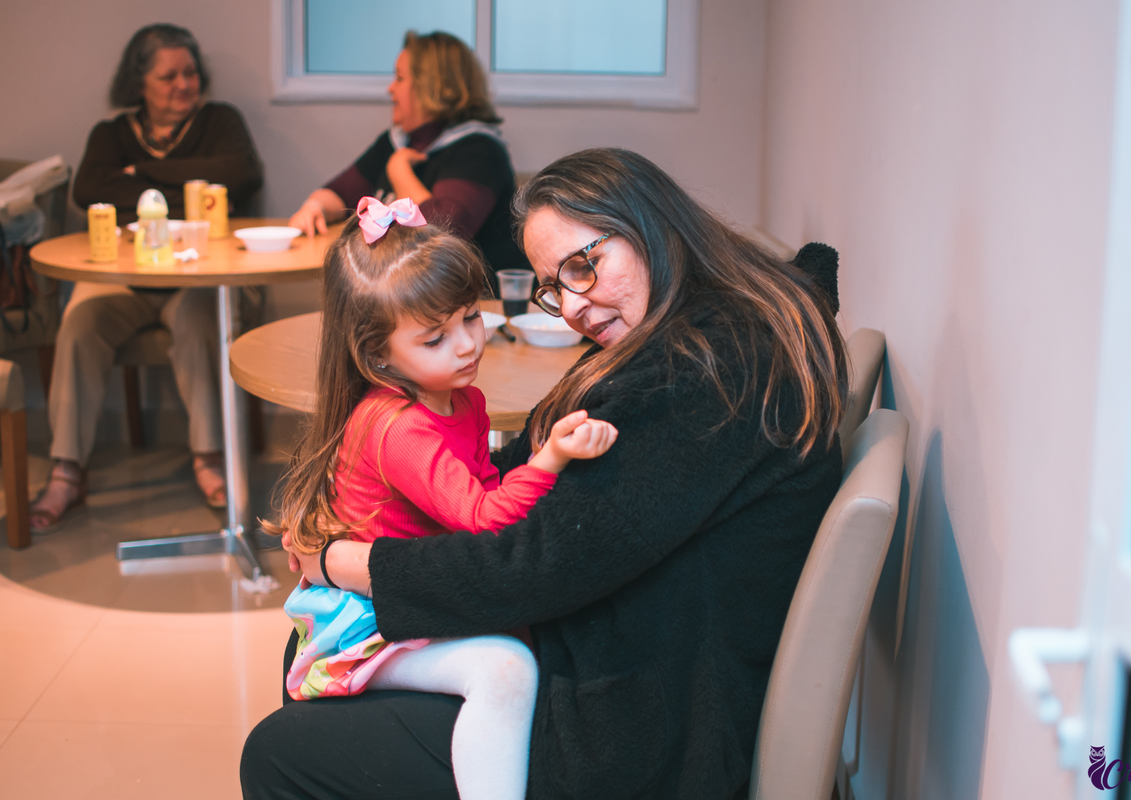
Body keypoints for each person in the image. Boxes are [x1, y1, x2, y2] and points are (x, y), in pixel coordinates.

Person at [242, 148, 849, 800]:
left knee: (280, 751)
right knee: (315, 667)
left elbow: (533, 568)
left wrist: (348, 564)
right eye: (556, 287)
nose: (575, 307)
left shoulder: (702, 374)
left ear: (650, 225)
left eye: (584, 266)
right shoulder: (701, 332)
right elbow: (537, 479)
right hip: (637, 651)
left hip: (640, 723)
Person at [269, 196, 617, 800]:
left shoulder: (463, 400)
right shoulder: (399, 427)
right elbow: (483, 518)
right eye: (435, 339)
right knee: (507, 670)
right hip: (369, 623)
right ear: (377, 356)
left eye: (471, 318)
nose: (466, 346)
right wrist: (551, 458)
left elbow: (481, 492)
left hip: (413, 595)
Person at [34, 23, 263, 531]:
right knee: (79, 324)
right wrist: (191, 188)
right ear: (139, 83)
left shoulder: (220, 121)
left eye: (190, 73)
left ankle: (208, 457)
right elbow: (90, 189)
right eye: (168, 76)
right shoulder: (111, 135)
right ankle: (66, 470)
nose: (184, 84)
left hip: (198, 274)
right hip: (125, 275)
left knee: (200, 319)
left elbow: (242, 174)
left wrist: (142, 176)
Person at [288, 30, 529, 290]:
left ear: (433, 87)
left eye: (400, 78)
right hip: (411, 293)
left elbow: (440, 234)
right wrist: (315, 206)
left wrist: (399, 171)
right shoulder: (397, 140)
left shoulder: (480, 151)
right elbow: (342, 192)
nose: (390, 88)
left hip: (478, 300)